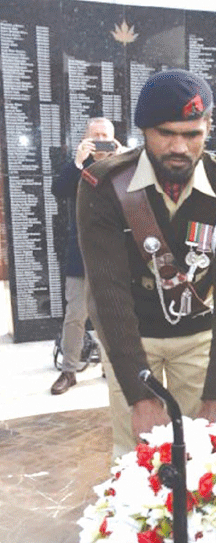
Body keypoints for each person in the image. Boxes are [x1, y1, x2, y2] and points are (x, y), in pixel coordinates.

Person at [77, 69, 216, 455]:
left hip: (198, 338)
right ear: (144, 130)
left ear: (207, 128)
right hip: (131, 333)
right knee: (135, 458)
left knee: (202, 458)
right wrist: (140, 397)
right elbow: (107, 291)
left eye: (192, 134)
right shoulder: (104, 185)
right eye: (166, 133)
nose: (179, 147)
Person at [50, 117, 120, 395]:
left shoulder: (122, 165)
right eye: (96, 135)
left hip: (112, 254)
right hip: (80, 254)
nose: (101, 139)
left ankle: (110, 367)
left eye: (105, 134)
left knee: (111, 313)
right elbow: (59, 191)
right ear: (85, 138)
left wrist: (125, 157)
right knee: (75, 314)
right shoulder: (79, 167)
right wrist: (78, 163)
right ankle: (69, 369)